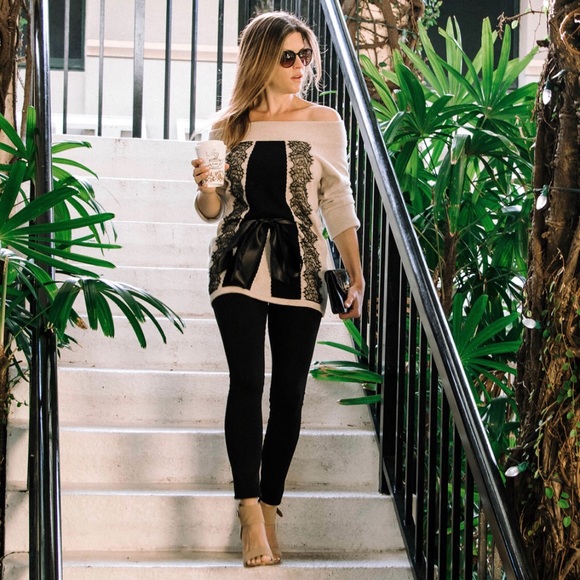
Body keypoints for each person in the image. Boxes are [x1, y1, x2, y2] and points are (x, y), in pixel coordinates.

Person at [191, 10, 364, 568]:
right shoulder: (226, 127)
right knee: (247, 381)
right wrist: (205, 188)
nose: (299, 66)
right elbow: (212, 210)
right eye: (288, 56)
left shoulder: (324, 122)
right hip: (236, 263)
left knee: (288, 393)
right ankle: (248, 513)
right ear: (262, 59)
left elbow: (336, 200)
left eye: (305, 56)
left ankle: (269, 506)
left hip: (303, 264)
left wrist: (356, 272)